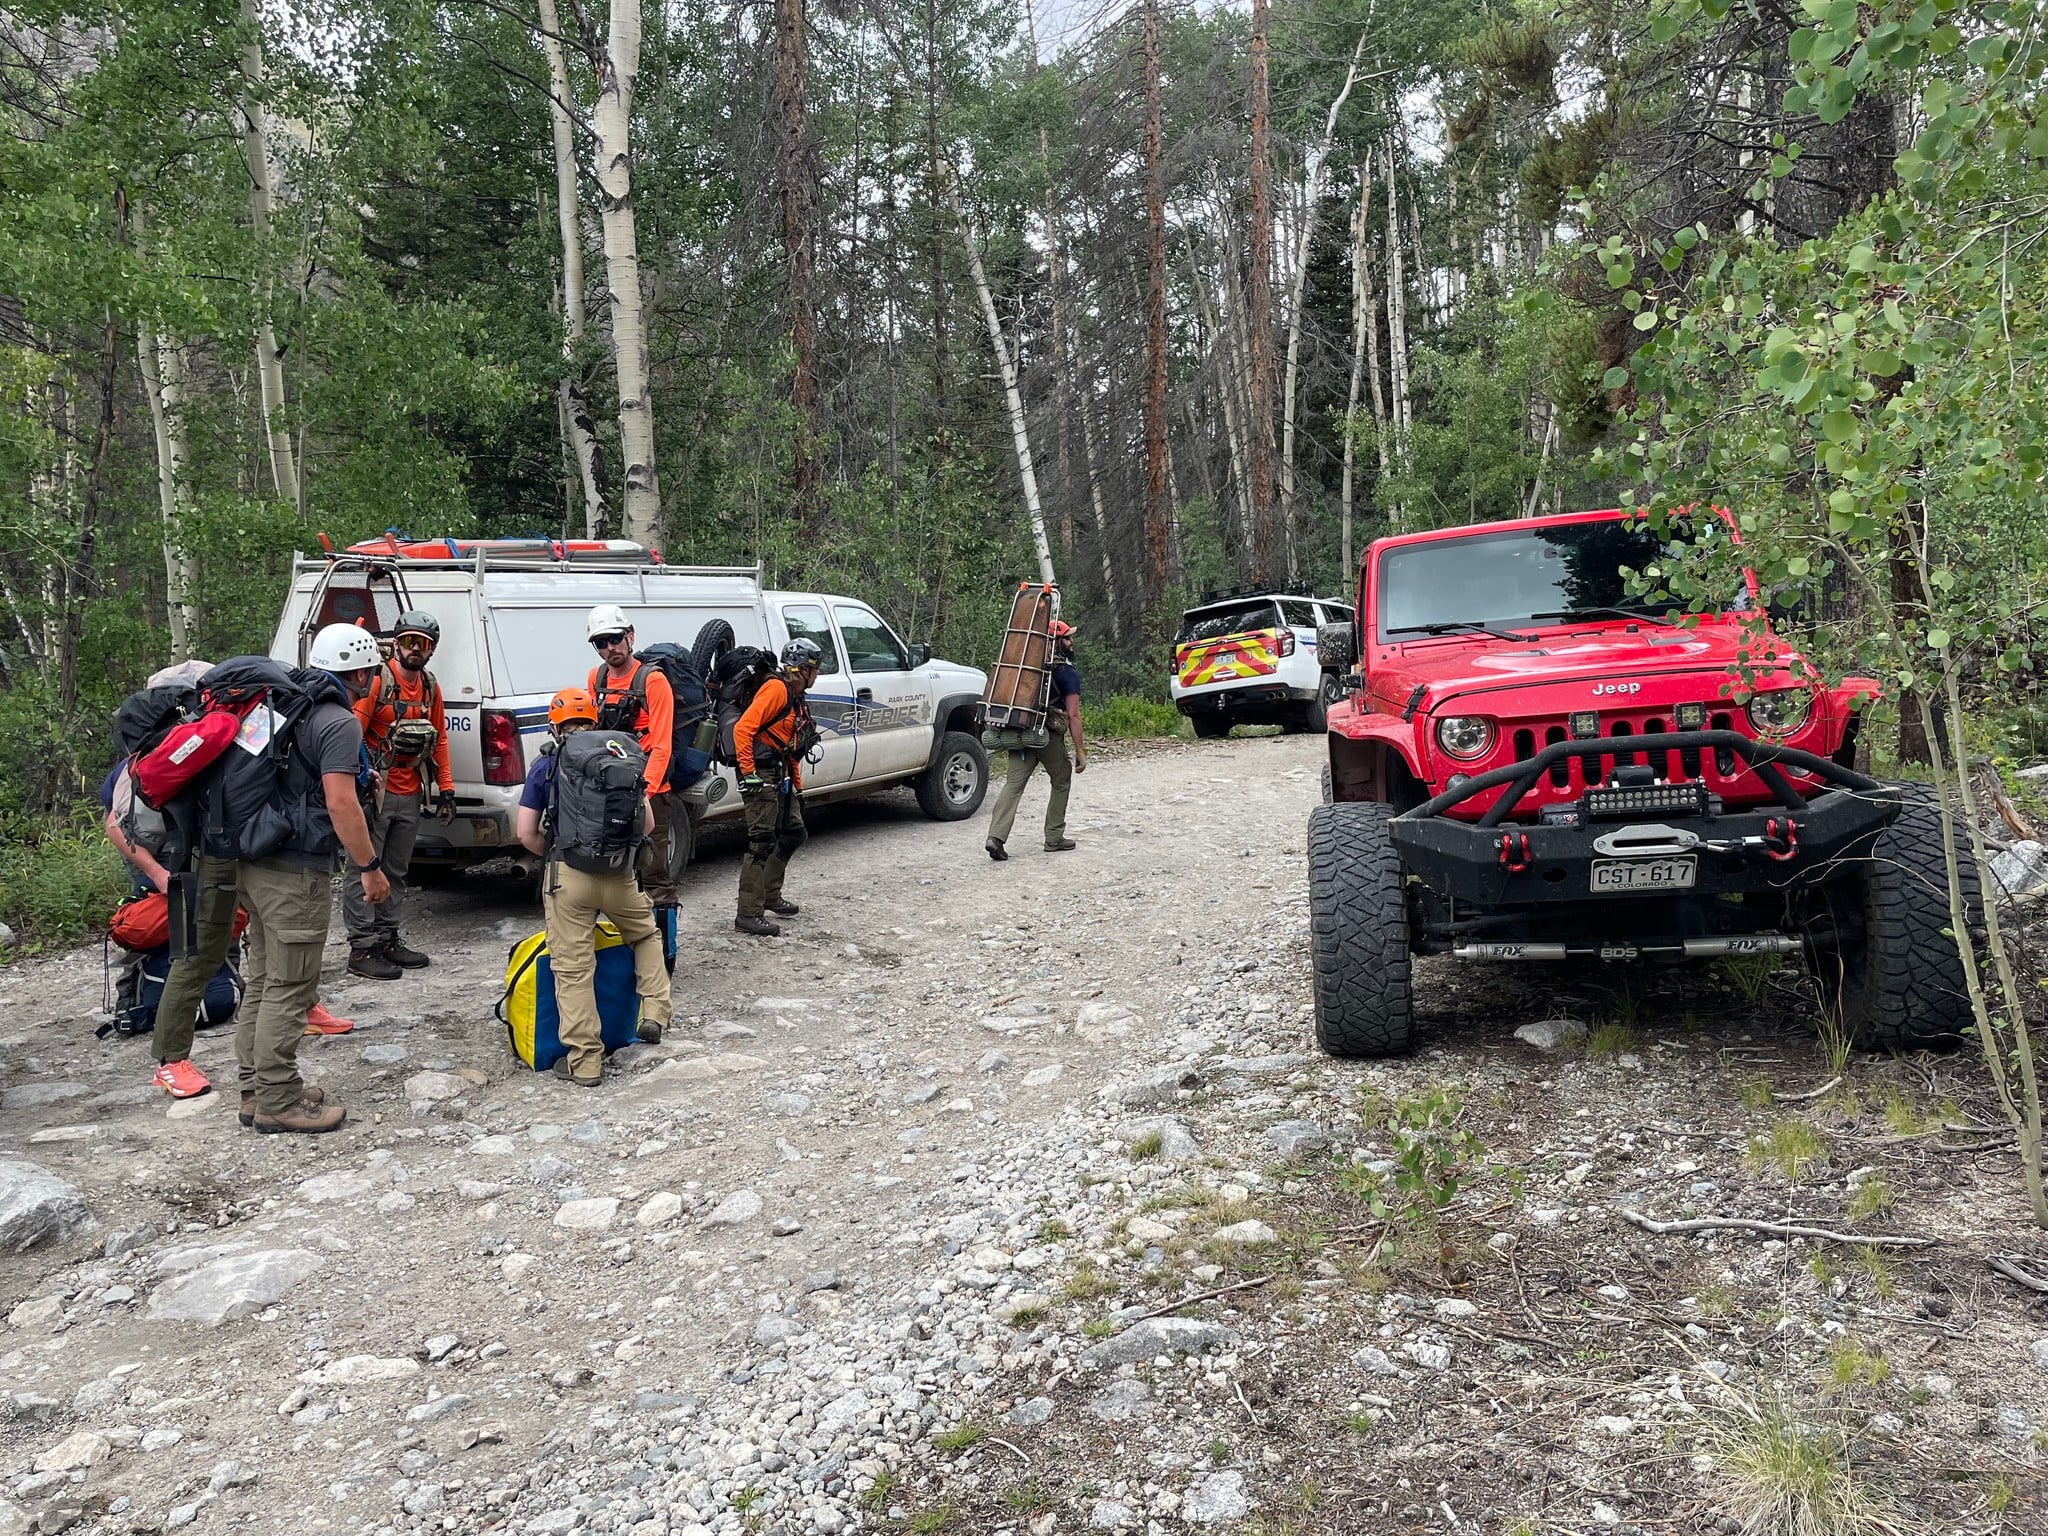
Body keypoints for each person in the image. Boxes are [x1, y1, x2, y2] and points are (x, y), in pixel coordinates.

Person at [103, 665, 349, 1103]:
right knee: (201, 956)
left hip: (217, 855)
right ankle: (171, 1061)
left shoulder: (222, 730)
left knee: (252, 948)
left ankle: (213, 1056)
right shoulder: (190, 737)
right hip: (192, 863)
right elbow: (114, 823)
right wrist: (159, 877)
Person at [233, 623, 389, 1134]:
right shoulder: (337, 721)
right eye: (373, 670)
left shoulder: (278, 707)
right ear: (361, 670)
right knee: (291, 985)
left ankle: (257, 1090)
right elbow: (342, 801)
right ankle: (280, 1099)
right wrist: (369, 867)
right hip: (295, 868)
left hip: (252, 858)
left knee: (261, 979)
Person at [514, 687, 671, 1087]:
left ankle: (585, 1062)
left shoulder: (546, 764)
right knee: (645, 935)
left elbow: (525, 833)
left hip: (568, 876)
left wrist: (556, 854)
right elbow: (648, 826)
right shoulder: (620, 756)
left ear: (555, 723)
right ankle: (653, 1013)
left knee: (573, 968)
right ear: (594, 720)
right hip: (620, 874)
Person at [345, 610, 455, 980]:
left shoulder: (430, 687)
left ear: (431, 650)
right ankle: (362, 947)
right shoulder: (379, 682)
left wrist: (447, 788)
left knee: (395, 870)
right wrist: (358, 779)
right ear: (396, 644)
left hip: (410, 789)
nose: (414, 649)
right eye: (408, 641)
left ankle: (387, 937)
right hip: (376, 792)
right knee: (364, 868)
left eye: (422, 644)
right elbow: (352, 733)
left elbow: (439, 739)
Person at [584, 604, 679, 915]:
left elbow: (662, 744)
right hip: (610, 791)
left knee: (654, 876)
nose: (610, 648)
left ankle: (662, 955)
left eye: (615, 638)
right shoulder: (595, 679)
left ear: (630, 636)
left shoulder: (652, 680)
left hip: (650, 791)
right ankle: (620, 950)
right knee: (612, 873)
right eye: (601, 642)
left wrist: (645, 795)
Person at [733, 638, 822, 937]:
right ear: (805, 670)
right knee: (760, 842)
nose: (818, 674)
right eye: (816, 669)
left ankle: (770, 895)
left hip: (779, 770)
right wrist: (748, 773)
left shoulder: (796, 695)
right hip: (760, 773)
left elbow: (789, 746)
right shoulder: (776, 689)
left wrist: (798, 787)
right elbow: (742, 729)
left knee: (794, 831)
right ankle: (748, 913)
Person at [985, 618, 1087, 860]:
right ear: (1055, 642)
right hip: (1046, 736)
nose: (1071, 642)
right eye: (1067, 638)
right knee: (1061, 779)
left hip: (1018, 734)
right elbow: (1073, 715)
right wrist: (1080, 750)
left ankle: (995, 837)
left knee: (1013, 784)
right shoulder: (1065, 672)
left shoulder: (1021, 668)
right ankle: (1054, 837)